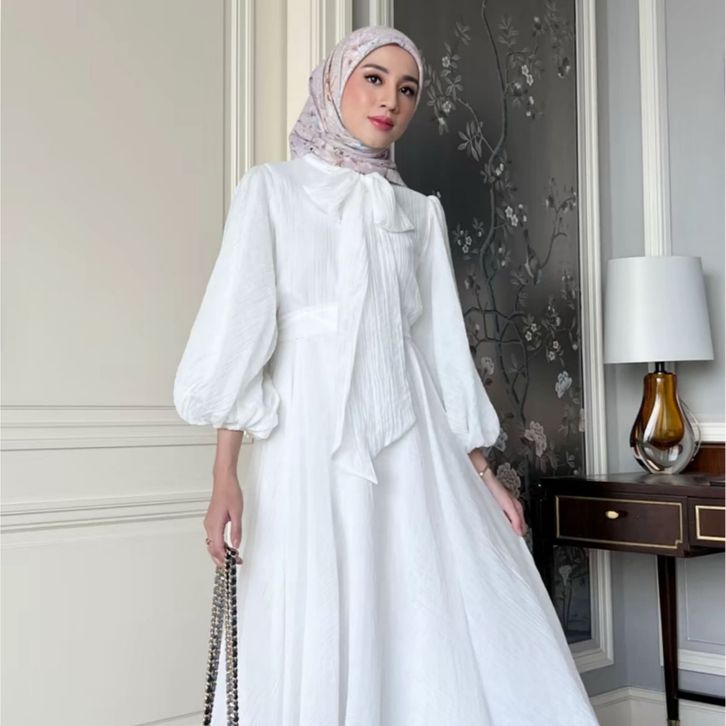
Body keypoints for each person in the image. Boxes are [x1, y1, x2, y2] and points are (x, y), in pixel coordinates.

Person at [173, 24, 599, 726]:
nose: (390, 101)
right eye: (373, 78)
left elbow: (439, 349)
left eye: (407, 90)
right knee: (317, 603)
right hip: (308, 440)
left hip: (413, 441)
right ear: (334, 82)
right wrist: (225, 477)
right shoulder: (271, 191)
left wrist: (484, 475)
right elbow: (241, 339)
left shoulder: (418, 212)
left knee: (420, 610)